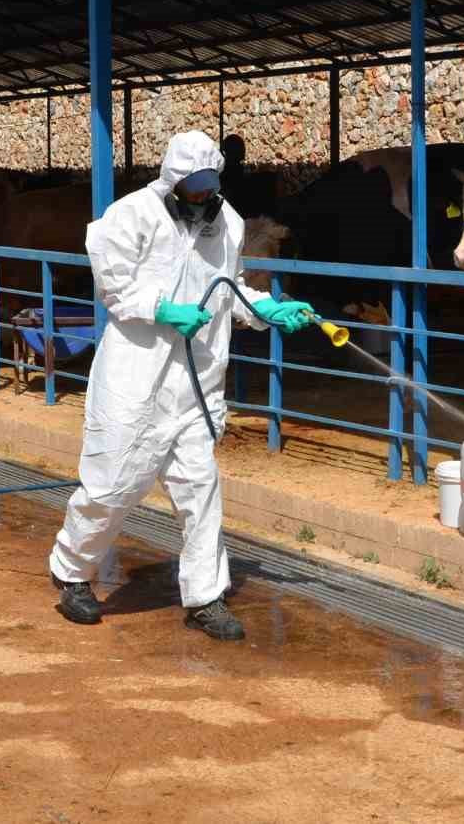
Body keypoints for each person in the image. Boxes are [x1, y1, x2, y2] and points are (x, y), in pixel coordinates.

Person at [48, 130, 313, 640]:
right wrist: (161, 309)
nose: (200, 196)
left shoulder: (228, 224)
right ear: (171, 180)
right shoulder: (132, 215)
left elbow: (229, 291)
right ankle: (72, 572)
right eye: (191, 187)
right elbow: (113, 285)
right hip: (135, 377)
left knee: (201, 490)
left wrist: (267, 310)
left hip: (194, 386)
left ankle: (205, 596)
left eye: (208, 187)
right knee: (110, 486)